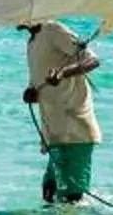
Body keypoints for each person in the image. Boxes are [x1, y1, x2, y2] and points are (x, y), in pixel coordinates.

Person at [19, 18, 102, 202]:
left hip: (75, 130)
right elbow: (43, 82)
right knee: (49, 192)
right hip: (55, 133)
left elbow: (93, 61)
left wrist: (64, 73)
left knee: (72, 197)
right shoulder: (33, 40)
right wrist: (32, 94)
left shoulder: (54, 30)